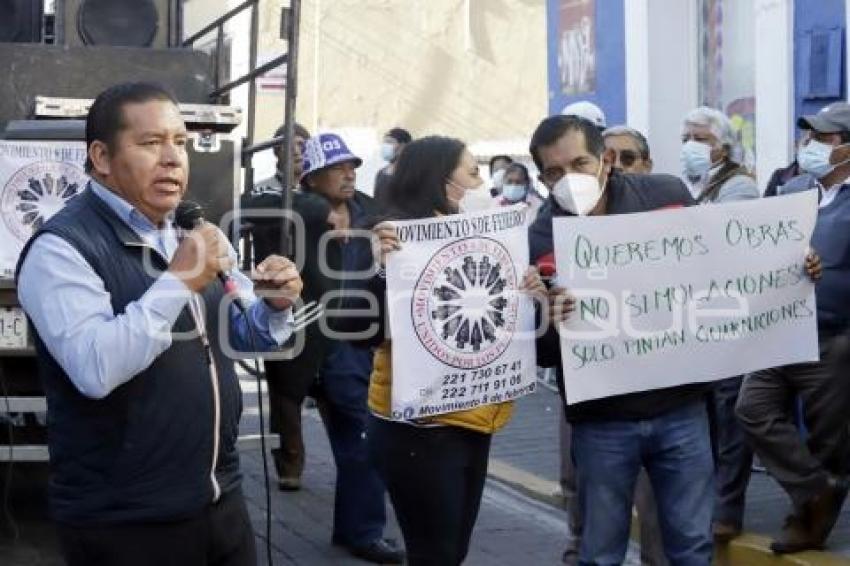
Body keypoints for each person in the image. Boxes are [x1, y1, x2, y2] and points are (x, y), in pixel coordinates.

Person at [15, 82, 304, 566]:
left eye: (181, 143)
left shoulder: (191, 230)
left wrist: (274, 306)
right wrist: (179, 281)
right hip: (127, 522)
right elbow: (95, 368)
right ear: (101, 157)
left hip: (221, 500)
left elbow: (245, 334)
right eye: (151, 144)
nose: (173, 159)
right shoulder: (61, 248)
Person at [529, 114, 715, 565]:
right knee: (600, 552)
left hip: (680, 409)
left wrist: (793, 266)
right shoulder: (539, 237)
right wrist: (546, 319)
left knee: (692, 546)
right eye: (554, 172)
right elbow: (541, 351)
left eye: (579, 163)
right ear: (541, 178)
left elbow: (716, 267)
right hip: (601, 421)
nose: (568, 179)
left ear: (606, 161)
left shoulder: (666, 198)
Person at [355, 136, 545, 565]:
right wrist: (381, 272)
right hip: (417, 428)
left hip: (474, 418)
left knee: (450, 552)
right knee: (436, 554)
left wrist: (529, 291)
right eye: (474, 172)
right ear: (442, 180)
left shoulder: (481, 237)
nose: (486, 182)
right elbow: (358, 329)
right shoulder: (390, 234)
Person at [736, 102, 850, 554]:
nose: (810, 147)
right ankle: (815, 490)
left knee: (829, 437)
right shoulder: (793, 189)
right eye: (809, 138)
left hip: (832, 334)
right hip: (779, 326)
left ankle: (810, 523)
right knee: (752, 409)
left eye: (823, 139)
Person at [295, 132, 404, 564]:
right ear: (312, 178)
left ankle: (356, 529)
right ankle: (361, 532)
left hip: (365, 344)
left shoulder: (371, 215)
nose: (349, 173)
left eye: (352, 166)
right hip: (321, 347)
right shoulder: (299, 216)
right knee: (361, 442)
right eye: (338, 167)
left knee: (359, 443)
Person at [680, 107, 759, 543]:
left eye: (700, 138)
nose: (690, 145)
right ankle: (706, 505)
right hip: (697, 319)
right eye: (686, 136)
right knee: (706, 418)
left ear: (722, 147)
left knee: (730, 419)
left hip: (728, 319)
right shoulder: (696, 184)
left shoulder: (739, 187)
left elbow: (722, 244)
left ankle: (727, 510)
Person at [242, 121, 316, 491]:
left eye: (305, 146)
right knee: (284, 387)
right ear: (276, 152)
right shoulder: (263, 193)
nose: (299, 153)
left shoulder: (321, 193)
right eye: (290, 148)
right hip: (278, 295)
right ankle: (290, 464)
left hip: (321, 296)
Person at [680, 106, 759, 204]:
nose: (690, 146)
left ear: (724, 148)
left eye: (700, 139)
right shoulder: (685, 184)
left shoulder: (740, 185)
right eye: (685, 140)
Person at [373, 127, 412, 211]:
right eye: (384, 142)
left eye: (389, 142)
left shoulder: (411, 173)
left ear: (403, 146)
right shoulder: (381, 173)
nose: (385, 146)